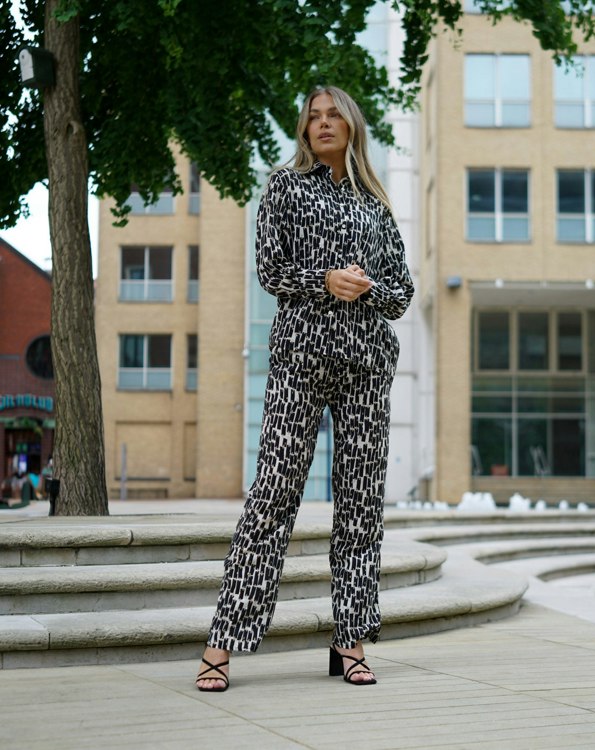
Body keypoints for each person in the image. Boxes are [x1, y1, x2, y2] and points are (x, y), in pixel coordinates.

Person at [196, 85, 414, 692]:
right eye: (312, 117)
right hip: (300, 358)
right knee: (272, 495)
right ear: (304, 130)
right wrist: (324, 280)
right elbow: (269, 270)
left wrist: (365, 289)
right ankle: (224, 641)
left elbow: (402, 293)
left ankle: (350, 641)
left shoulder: (377, 203)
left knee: (361, 506)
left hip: (368, 364)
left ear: (351, 124)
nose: (322, 123)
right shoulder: (284, 187)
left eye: (332, 114)